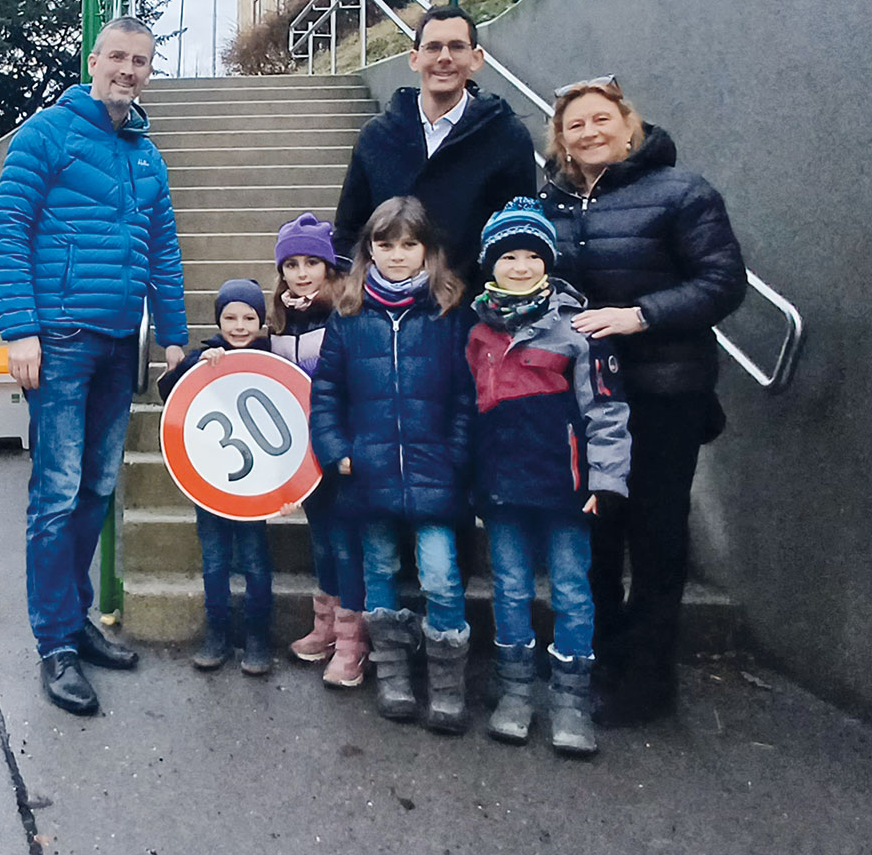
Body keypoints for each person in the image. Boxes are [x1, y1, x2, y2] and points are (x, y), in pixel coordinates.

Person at [0, 17, 189, 716]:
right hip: (61, 339)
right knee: (56, 491)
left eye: (142, 62)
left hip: (116, 347)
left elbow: (163, 250)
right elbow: (7, 226)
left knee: (96, 488)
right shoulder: (46, 133)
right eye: (119, 58)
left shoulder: (147, 156)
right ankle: (55, 644)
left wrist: (175, 336)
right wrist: (20, 329)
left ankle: (75, 620)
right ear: (93, 59)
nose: (129, 70)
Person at [539, 78, 745, 728]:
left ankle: (649, 677)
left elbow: (722, 281)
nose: (590, 131)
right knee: (595, 535)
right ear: (562, 140)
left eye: (602, 119)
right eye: (576, 125)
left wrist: (639, 315)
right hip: (588, 398)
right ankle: (603, 657)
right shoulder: (553, 204)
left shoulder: (682, 192)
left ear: (629, 126)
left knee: (656, 535)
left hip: (664, 391)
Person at [467, 198, 630, 757]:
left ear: (548, 260)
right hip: (502, 488)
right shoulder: (479, 333)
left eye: (532, 255)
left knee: (570, 591)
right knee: (509, 588)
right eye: (507, 255)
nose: (519, 266)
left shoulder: (579, 330)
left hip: (566, 491)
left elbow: (605, 411)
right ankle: (514, 691)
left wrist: (605, 480)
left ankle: (570, 698)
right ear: (489, 263)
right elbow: (468, 412)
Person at [307, 197, 475, 727]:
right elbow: (327, 392)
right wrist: (337, 450)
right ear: (368, 250)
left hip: (434, 472)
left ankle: (448, 686)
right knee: (378, 568)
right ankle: (394, 673)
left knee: (441, 575)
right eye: (385, 244)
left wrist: (456, 454)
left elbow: (467, 397)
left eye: (409, 245)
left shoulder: (449, 313)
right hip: (370, 472)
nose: (397, 256)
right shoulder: (350, 316)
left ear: (428, 249)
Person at [334, 4, 537, 282]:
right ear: (414, 59)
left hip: (470, 311)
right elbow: (349, 231)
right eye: (433, 47)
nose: (444, 58)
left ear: (476, 58)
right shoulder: (376, 137)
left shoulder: (508, 137)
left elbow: (520, 234)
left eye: (456, 47)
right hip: (387, 310)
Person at [158, 279, 277, 676]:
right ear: (218, 320)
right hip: (209, 481)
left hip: (255, 485)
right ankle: (217, 634)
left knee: (256, 563)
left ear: (261, 321)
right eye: (230, 317)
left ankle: (258, 637)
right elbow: (170, 394)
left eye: (249, 317)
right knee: (214, 562)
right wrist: (194, 366)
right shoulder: (205, 356)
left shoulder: (272, 359)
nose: (240, 325)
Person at [261, 213, 355, 668]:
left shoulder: (346, 314)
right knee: (321, 541)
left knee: (345, 540)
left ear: (329, 267)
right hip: (305, 456)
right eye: (291, 265)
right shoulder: (278, 325)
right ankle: (326, 626)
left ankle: (353, 635)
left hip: (341, 447)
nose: (301, 274)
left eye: (311, 263)